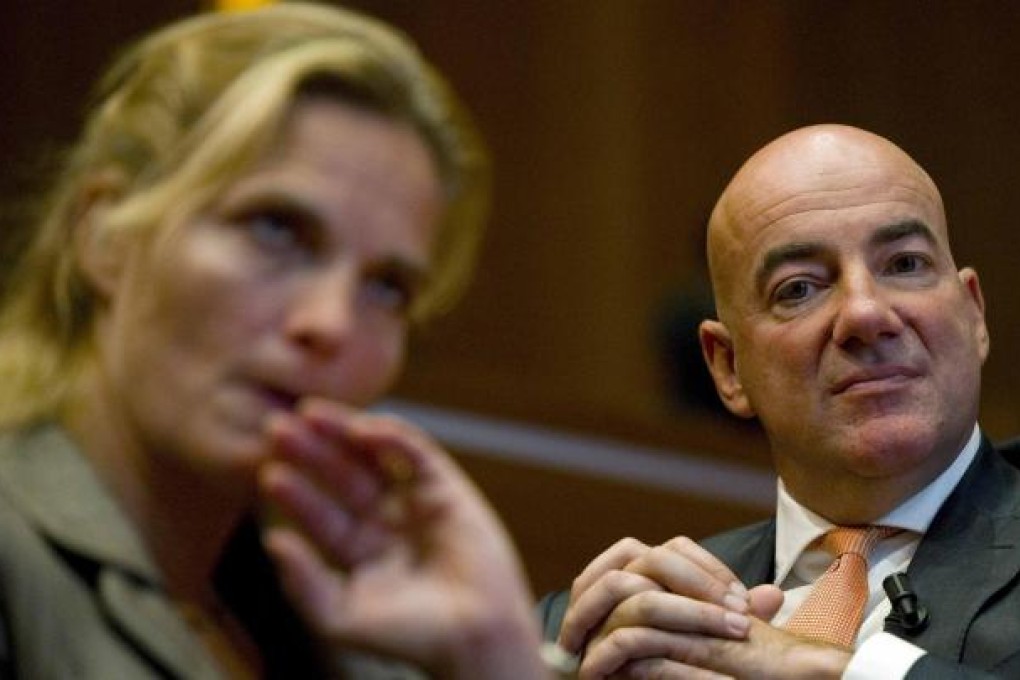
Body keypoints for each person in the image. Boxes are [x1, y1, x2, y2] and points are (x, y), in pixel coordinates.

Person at [0, 4, 550, 678]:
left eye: (387, 288)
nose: (331, 323)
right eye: (276, 230)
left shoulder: (347, 614)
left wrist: (493, 653)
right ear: (105, 235)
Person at [539, 124, 1020, 679]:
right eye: (799, 289)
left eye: (904, 264)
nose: (865, 313)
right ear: (728, 367)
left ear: (974, 315)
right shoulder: (631, 629)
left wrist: (813, 667)